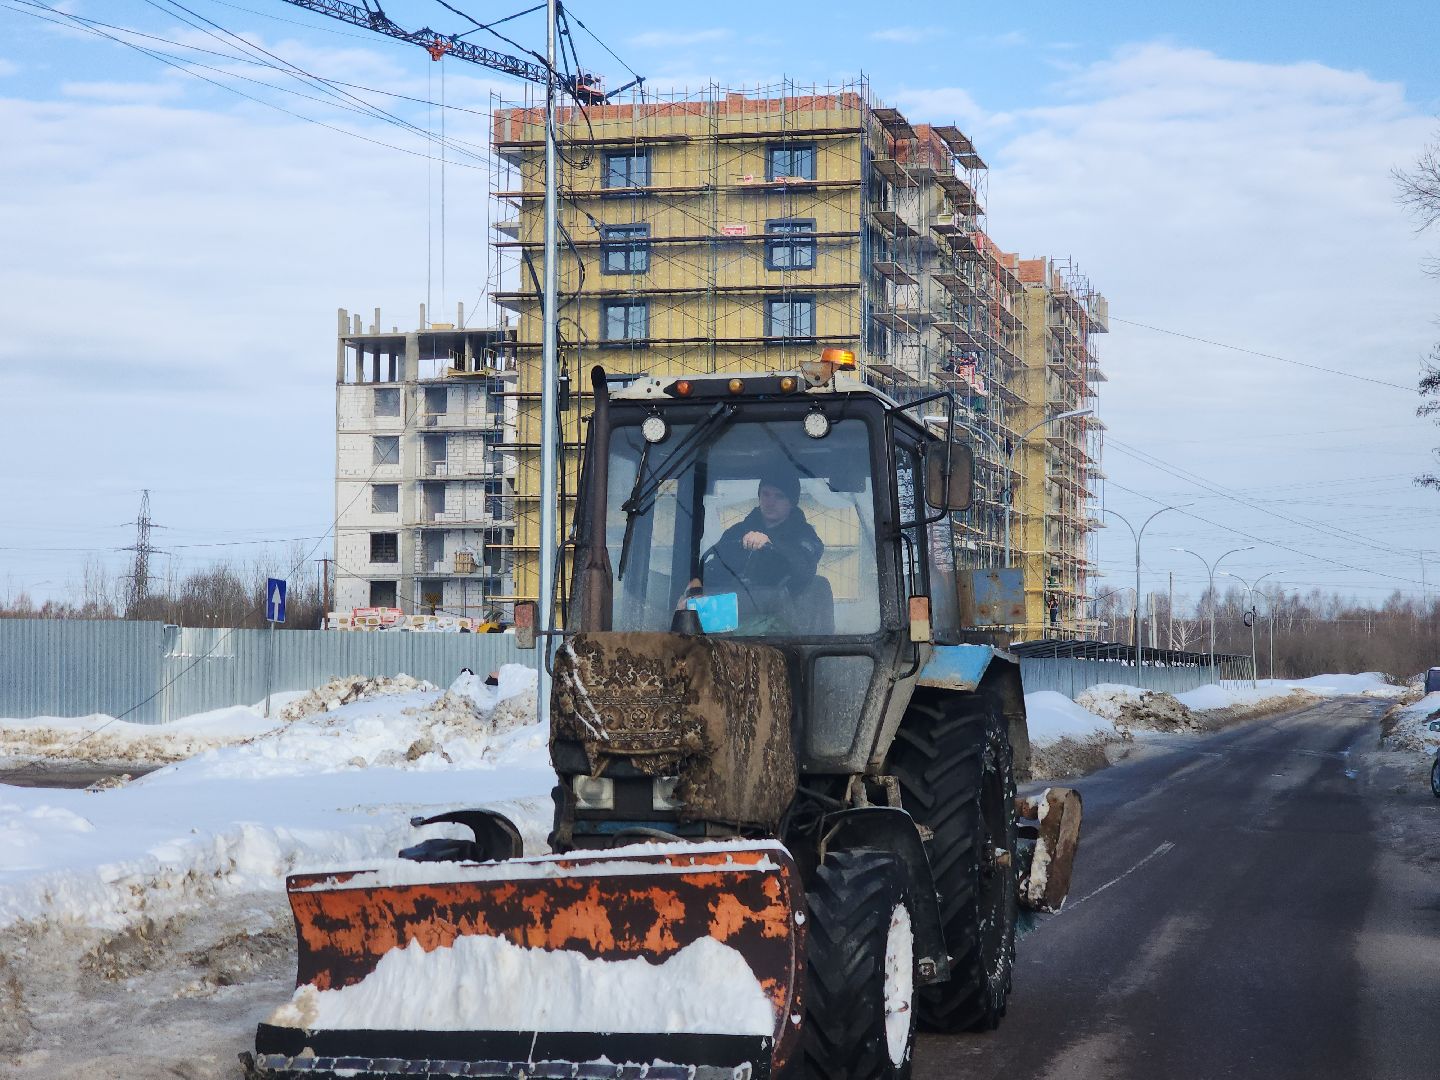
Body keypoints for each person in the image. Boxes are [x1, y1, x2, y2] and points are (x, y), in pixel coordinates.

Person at [690, 467, 824, 631]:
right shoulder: (737, 532)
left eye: (779, 496)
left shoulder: (804, 535)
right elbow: (715, 568)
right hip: (733, 616)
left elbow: (803, 569)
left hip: (785, 625)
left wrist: (772, 544)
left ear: (792, 502)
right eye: (766, 494)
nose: (770, 502)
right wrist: (695, 590)